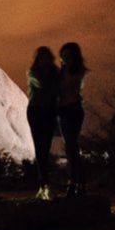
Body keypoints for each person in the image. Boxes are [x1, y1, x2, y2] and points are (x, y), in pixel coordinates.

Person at [26, 46, 60, 200]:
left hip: (49, 111)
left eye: (46, 58)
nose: (44, 61)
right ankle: (44, 184)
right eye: (41, 58)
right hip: (36, 111)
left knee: (45, 148)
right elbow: (42, 85)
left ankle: (45, 184)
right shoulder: (33, 73)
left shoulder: (56, 74)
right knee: (40, 148)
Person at [57, 42, 88, 197]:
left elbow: (73, 87)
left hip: (74, 109)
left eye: (68, 56)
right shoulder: (61, 72)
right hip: (63, 111)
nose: (65, 58)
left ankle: (76, 183)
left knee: (72, 147)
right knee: (70, 148)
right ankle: (75, 183)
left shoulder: (77, 72)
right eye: (63, 56)